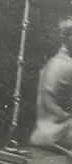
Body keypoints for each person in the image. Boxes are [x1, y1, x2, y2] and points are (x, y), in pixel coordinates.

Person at [29, 17, 72, 155]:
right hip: (62, 141)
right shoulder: (69, 67)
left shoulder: (51, 63)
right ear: (67, 39)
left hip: (41, 136)